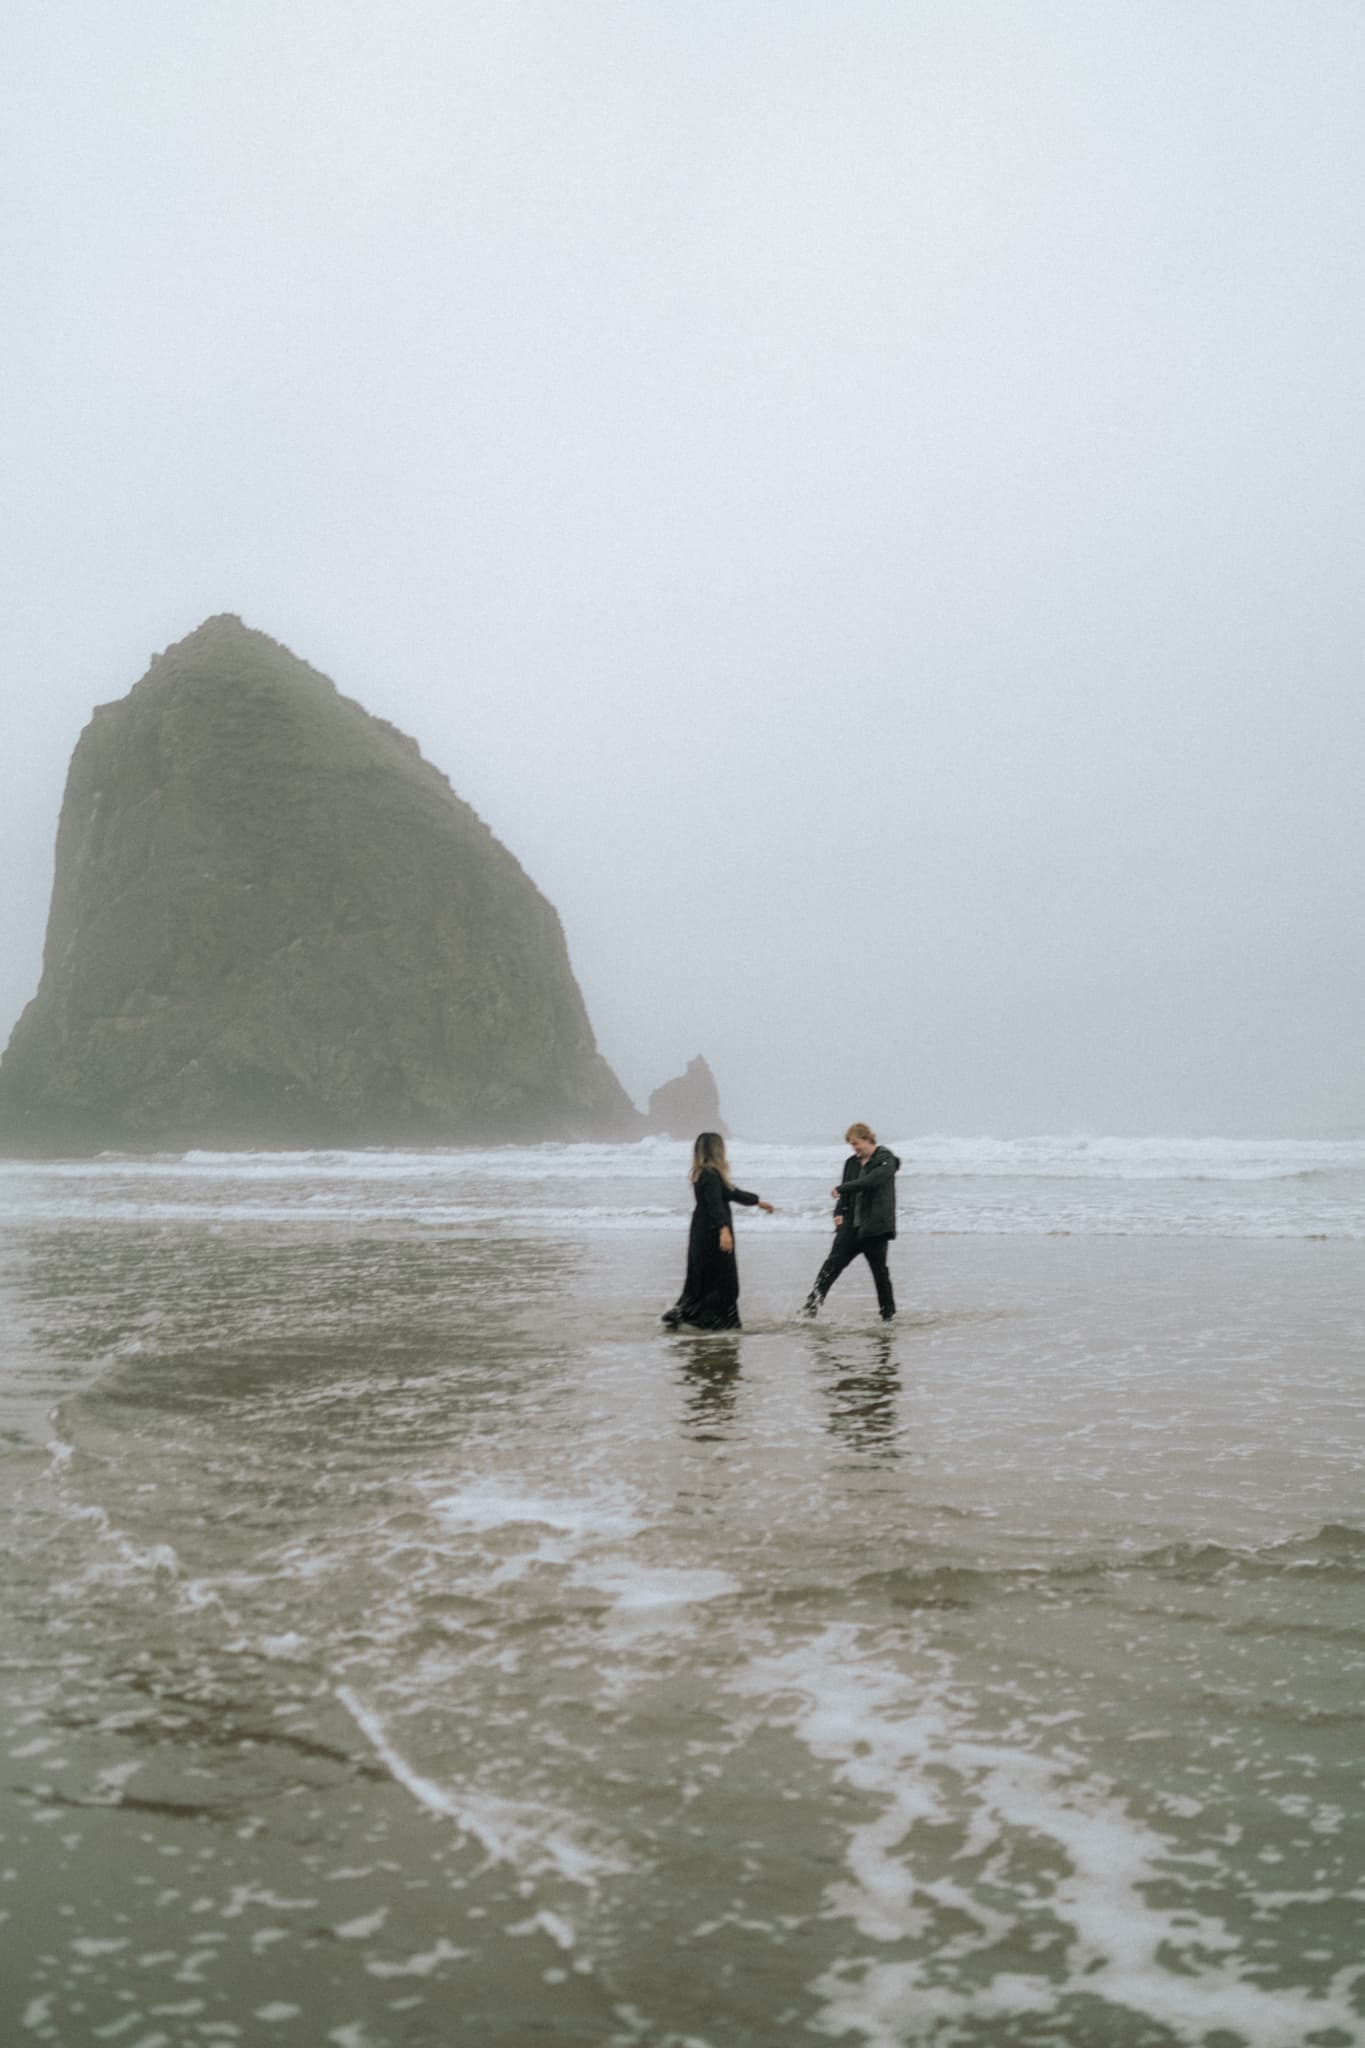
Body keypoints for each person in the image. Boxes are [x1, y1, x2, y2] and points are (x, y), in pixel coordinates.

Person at [662, 1132, 774, 1331]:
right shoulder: (711, 1175)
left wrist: (758, 1202)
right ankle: (715, 1322)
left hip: (702, 1230)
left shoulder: (705, 1174)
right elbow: (715, 1204)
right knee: (723, 1279)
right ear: (717, 1150)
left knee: (702, 1275)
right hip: (712, 1232)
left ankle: (687, 1315)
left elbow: (732, 1193)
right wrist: (724, 1231)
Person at [801, 1122, 900, 1321]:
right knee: (830, 1268)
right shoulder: (851, 1163)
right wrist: (838, 1213)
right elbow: (844, 1196)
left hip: (874, 1229)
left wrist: (843, 1187)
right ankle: (810, 1309)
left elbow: (872, 1181)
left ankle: (888, 1316)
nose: (854, 1149)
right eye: (851, 1145)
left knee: (880, 1274)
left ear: (867, 1139)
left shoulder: (886, 1160)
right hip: (850, 1228)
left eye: (856, 1144)